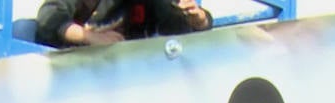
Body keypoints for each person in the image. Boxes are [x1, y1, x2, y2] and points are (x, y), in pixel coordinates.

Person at [35, 0, 211, 48]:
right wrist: (91, 37)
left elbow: (175, 24)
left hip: (130, 75)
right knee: (22, 29)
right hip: (78, 71)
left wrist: (199, 20)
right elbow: (49, 17)